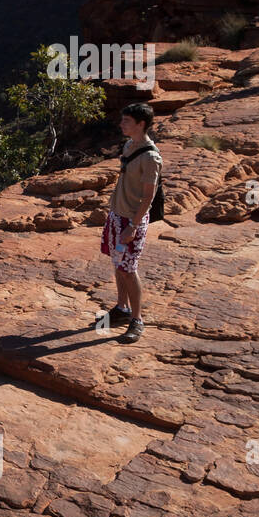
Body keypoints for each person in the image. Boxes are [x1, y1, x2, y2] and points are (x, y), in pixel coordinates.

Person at [101, 102, 162, 344]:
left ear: (141, 124)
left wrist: (133, 226)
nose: (121, 124)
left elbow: (149, 195)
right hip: (117, 215)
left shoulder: (150, 157)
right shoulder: (129, 146)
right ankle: (121, 308)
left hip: (131, 220)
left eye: (126, 121)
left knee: (129, 268)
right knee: (118, 264)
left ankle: (137, 320)